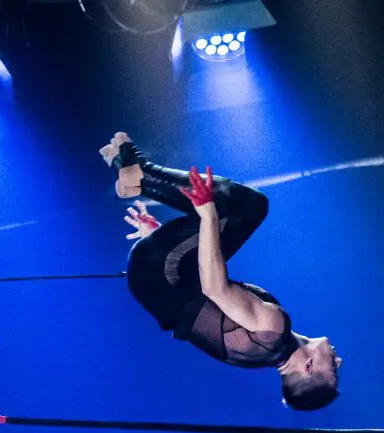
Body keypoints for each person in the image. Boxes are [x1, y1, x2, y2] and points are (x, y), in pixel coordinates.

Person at [99, 132, 342, 411]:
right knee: (242, 209)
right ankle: (132, 169)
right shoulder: (260, 353)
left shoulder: (273, 330)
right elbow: (194, 304)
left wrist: (207, 216)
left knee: (248, 206)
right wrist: (159, 238)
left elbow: (214, 288)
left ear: (309, 367)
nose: (338, 361)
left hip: (161, 271)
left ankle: (139, 173)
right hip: (161, 275)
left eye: (333, 370)